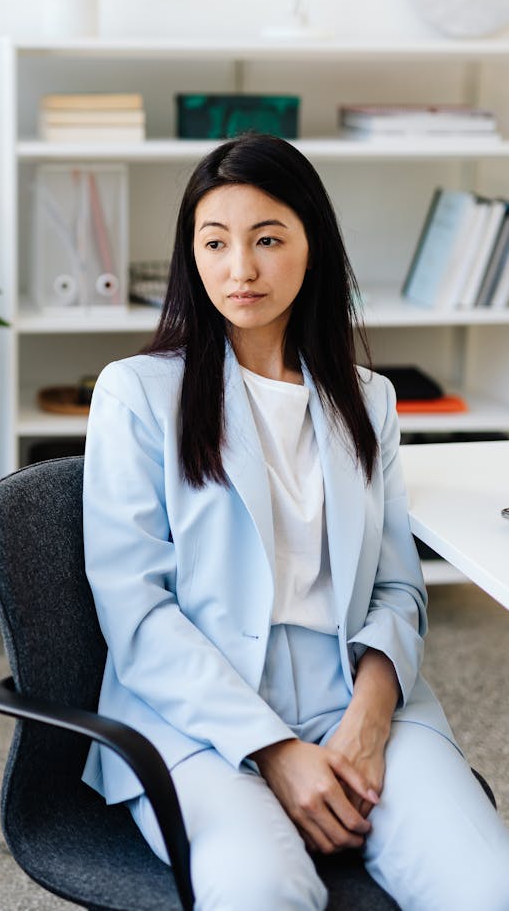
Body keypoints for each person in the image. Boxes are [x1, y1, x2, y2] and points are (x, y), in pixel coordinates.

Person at [81, 133, 509, 910]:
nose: (239, 268)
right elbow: (137, 613)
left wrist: (369, 721)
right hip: (198, 712)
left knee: (489, 884)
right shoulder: (136, 393)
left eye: (267, 239)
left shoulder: (367, 399)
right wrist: (274, 748)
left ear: (312, 246)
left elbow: (398, 588)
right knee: (260, 890)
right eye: (215, 242)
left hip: (351, 689)